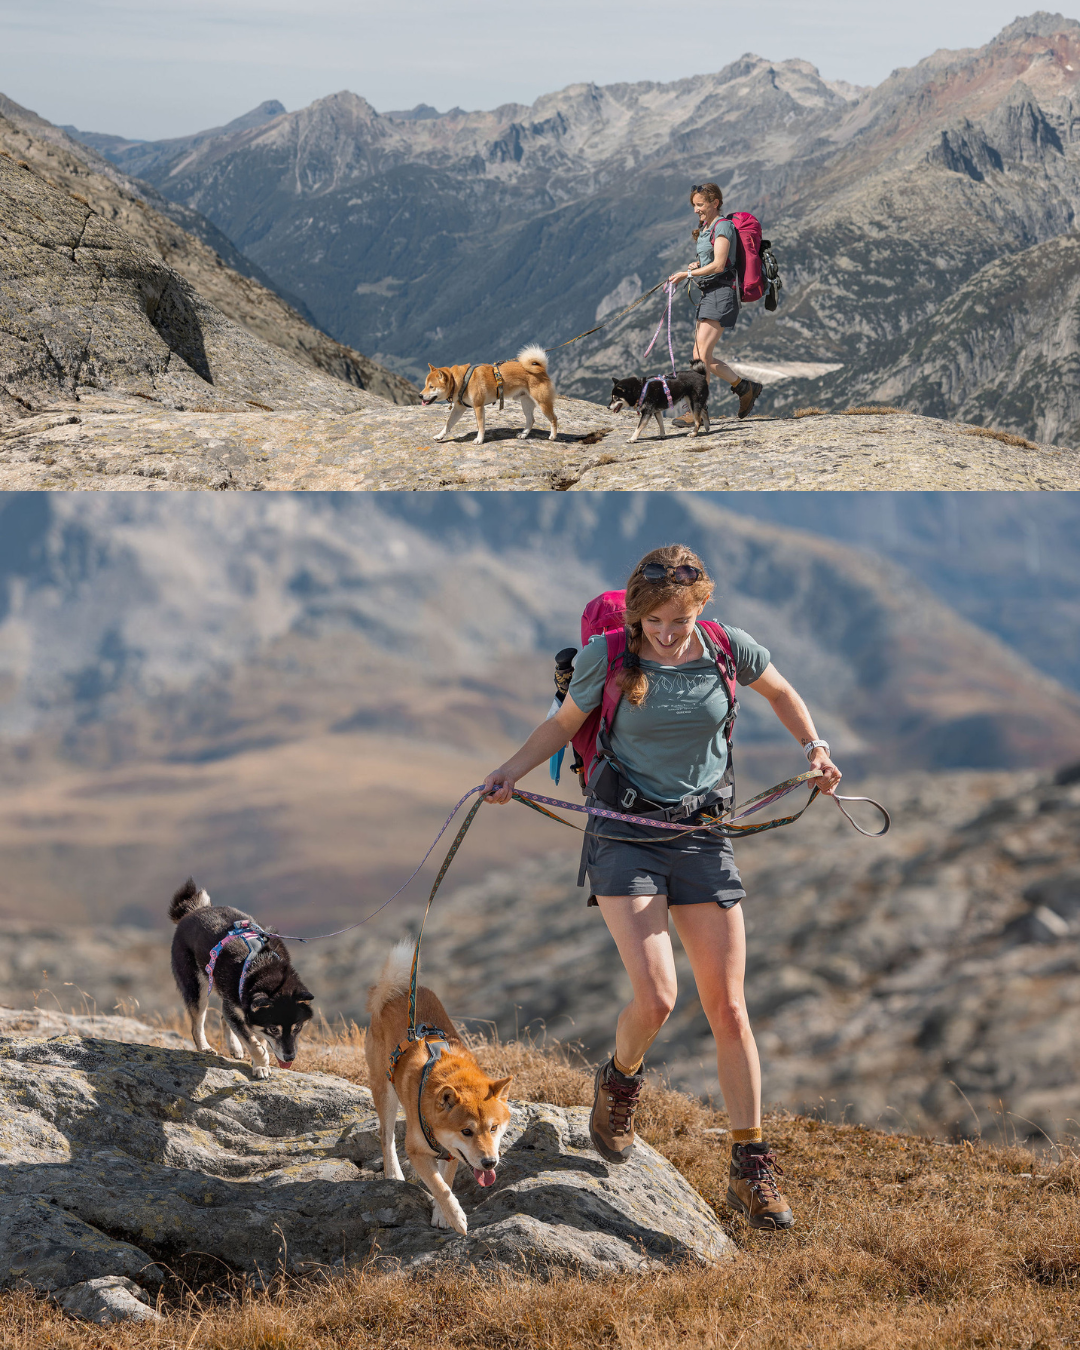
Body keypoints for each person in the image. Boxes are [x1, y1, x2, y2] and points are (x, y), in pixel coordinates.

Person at [482, 543, 842, 1230]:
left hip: (703, 836)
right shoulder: (609, 656)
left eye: (680, 619)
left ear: (700, 606)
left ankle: (750, 1168)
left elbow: (784, 695)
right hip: (625, 834)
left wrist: (815, 749)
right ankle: (618, 1084)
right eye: (655, 621)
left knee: (730, 1009)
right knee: (658, 998)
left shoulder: (728, 648)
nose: (668, 633)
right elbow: (563, 725)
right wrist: (509, 773)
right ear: (638, 613)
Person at [668, 182, 762, 422]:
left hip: (721, 293)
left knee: (700, 355)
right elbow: (713, 260)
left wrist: (687, 274)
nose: (695, 210)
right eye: (694, 205)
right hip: (711, 292)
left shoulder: (723, 227)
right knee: (701, 356)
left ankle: (698, 411)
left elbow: (720, 264)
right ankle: (744, 388)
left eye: (700, 205)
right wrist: (698, 265)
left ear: (715, 203)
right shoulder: (708, 227)